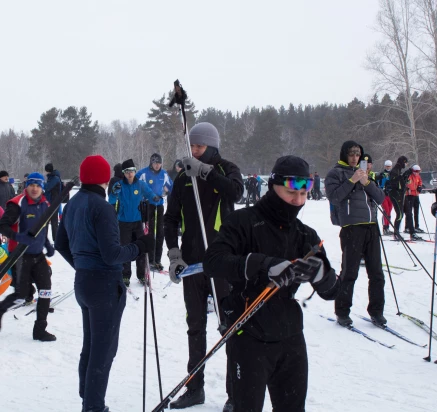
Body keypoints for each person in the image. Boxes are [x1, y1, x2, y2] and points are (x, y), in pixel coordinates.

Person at [204, 155, 340, 412]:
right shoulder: (242, 221)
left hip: (290, 336)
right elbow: (213, 261)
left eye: (303, 195)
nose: (297, 201)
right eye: (290, 193)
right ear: (273, 186)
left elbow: (334, 292)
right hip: (248, 332)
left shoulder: (305, 234)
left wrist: (322, 275)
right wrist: (263, 265)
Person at [55, 155, 152, 412]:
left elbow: (60, 244)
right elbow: (112, 254)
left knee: (92, 344)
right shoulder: (102, 206)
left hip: (84, 283)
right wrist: (139, 246)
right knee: (104, 349)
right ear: (105, 178)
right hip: (104, 285)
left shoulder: (73, 203)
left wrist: (82, 265)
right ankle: (93, 406)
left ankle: (88, 395)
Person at [163, 122, 243, 410]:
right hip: (192, 263)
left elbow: (236, 193)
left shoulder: (226, 169)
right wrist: (174, 253)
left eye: (199, 146)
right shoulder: (183, 176)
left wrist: (205, 173)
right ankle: (194, 387)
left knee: (230, 328)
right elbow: (170, 218)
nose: (194, 151)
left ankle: (236, 394)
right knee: (195, 326)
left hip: (223, 261)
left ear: (212, 146)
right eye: (192, 146)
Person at [325, 140, 387, 327]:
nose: (354, 158)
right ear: (344, 154)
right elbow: (334, 197)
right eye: (351, 154)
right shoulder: (336, 173)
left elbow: (380, 197)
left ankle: (376, 311)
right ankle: (342, 311)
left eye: (357, 154)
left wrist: (366, 181)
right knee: (349, 272)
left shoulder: (365, 173)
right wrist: (351, 181)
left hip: (371, 226)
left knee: (376, 273)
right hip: (352, 227)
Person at [0, 172, 57, 341]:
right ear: (26, 186)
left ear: (42, 187)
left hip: (38, 255)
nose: (35, 189)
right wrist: (21, 238)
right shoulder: (17, 204)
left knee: (46, 291)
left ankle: (40, 329)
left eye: (38, 186)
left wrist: (47, 245)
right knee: (21, 294)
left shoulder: (45, 203)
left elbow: (43, 227)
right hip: (21, 256)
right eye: (32, 185)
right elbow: (2, 226)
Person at [109, 159, 159, 286]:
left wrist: (154, 197)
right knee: (125, 249)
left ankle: (141, 275)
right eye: (127, 172)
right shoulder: (119, 185)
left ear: (135, 171)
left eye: (131, 171)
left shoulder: (140, 184)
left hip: (137, 221)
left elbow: (149, 193)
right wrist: (114, 192)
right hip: (123, 222)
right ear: (124, 173)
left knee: (141, 247)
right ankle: (125, 275)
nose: (129, 174)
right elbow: (111, 200)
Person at [137, 153, 173, 270]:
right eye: (155, 163)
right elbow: (133, 184)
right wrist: (142, 195)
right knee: (150, 232)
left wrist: (166, 192)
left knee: (160, 233)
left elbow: (171, 186)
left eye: (159, 163)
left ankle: (157, 260)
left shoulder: (164, 174)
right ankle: (150, 259)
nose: (157, 165)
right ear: (151, 163)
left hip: (160, 205)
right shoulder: (143, 173)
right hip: (148, 205)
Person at [386, 156, 412, 240]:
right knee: (399, 214)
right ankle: (396, 233)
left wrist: (405, 179)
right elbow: (394, 182)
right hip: (395, 194)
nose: (405, 164)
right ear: (402, 162)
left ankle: (399, 232)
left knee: (403, 213)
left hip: (399, 194)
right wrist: (403, 177)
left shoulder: (398, 169)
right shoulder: (395, 170)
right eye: (405, 163)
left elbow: (400, 182)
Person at [404, 164, 424, 239]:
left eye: (418, 172)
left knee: (416, 211)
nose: (417, 173)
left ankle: (416, 226)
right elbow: (407, 183)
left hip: (416, 195)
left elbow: (420, 182)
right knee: (409, 212)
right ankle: (407, 227)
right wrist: (408, 188)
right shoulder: (410, 176)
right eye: (415, 171)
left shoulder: (418, 176)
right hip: (410, 195)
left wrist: (419, 187)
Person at [44, 163, 62, 241]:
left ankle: (56, 240)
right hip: (50, 202)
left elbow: (48, 187)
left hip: (54, 203)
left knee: (54, 223)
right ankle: (45, 239)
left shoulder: (55, 178)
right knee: (46, 223)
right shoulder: (52, 177)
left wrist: (42, 183)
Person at [377, 160, 394, 235]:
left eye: (389, 166)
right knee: (386, 210)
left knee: (389, 210)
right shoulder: (382, 174)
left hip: (390, 195)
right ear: (385, 166)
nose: (388, 168)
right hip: (384, 194)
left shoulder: (392, 174)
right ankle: (384, 227)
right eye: (387, 166)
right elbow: (379, 183)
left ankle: (387, 227)